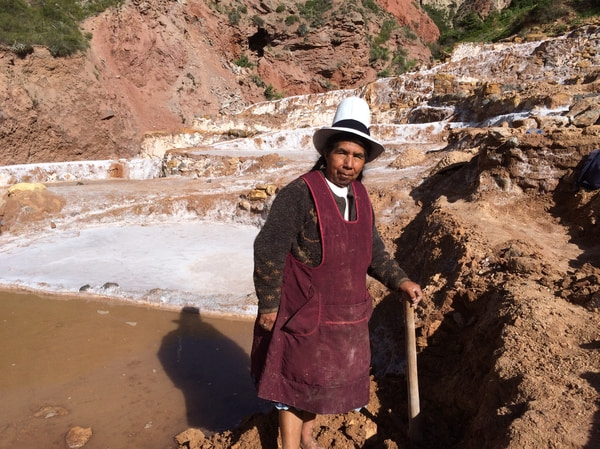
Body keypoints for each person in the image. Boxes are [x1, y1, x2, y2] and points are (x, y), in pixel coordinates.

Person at [251, 96, 423, 449]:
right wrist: (269, 304)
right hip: (304, 310)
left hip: (344, 313)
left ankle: (308, 436)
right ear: (327, 153)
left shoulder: (360, 195)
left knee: (316, 380)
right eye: (342, 153)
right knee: (296, 380)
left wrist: (400, 280)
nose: (348, 163)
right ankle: (289, 445)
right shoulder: (299, 194)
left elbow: (372, 251)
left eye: (357, 156)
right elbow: (268, 248)